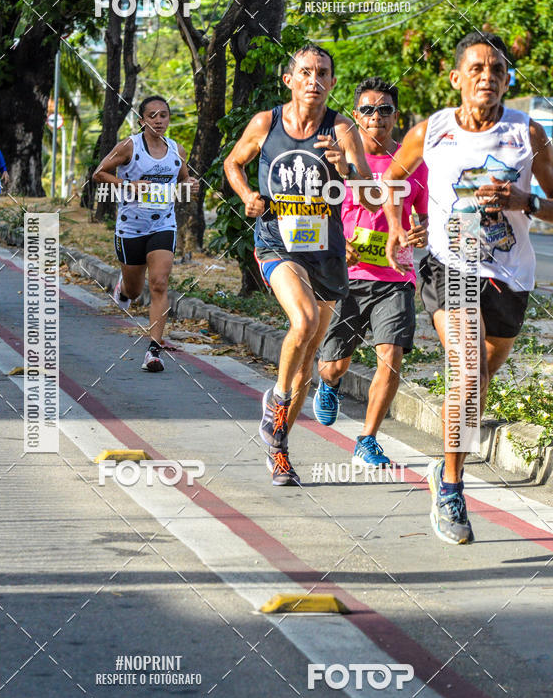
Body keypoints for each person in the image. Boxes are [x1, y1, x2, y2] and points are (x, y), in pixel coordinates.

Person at [384, 31, 553, 545]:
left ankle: (445, 465)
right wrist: (395, 223)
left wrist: (525, 200)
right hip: (448, 264)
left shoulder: (529, 133)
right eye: (477, 69)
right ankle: (453, 483)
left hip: (509, 274)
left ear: (507, 80)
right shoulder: (431, 130)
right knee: (469, 367)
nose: (488, 77)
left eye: (498, 70)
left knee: (482, 372)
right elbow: (393, 177)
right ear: (457, 78)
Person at [224, 44, 371, 486]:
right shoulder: (266, 123)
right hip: (277, 241)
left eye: (322, 72)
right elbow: (234, 162)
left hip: (325, 249)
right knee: (303, 320)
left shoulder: (343, 129)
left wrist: (342, 165)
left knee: (308, 354)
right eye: (305, 72)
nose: (314, 79)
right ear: (289, 80)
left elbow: (366, 189)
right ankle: (278, 401)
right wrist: (248, 196)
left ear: (332, 82)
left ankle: (279, 447)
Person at [312, 77, 429, 468]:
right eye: (366, 109)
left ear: (396, 116)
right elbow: (315, 212)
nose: (375, 116)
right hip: (344, 275)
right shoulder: (337, 162)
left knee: (391, 356)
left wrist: (421, 229)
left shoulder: (414, 165)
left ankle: (367, 439)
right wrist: (333, 242)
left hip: (395, 277)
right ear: (356, 116)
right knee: (333, 364)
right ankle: (328, 383)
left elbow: (425, 216)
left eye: (384, 110)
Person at [93, 95, 198, 372]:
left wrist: (190, 185)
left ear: (168, 119)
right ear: (142, 121)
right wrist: (128, 184)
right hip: (130, 227)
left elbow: (182, 180)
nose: (158, 120)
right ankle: (123, 288)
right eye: (152, 115)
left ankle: (154, 350)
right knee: (135, 290)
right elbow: (99, 174)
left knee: (160, 284)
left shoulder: (177, 150)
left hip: (163, 224)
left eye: (163, 115)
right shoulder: (130, 146)